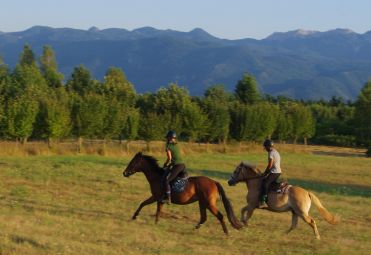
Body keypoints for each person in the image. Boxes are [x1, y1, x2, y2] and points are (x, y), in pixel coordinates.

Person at [161, 130, 186, 204]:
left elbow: (169, 158)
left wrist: (165, 164)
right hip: (182, 165)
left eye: (168, 138)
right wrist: (171, 164)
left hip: (177, 166)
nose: (167, 139)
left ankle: (168, 198)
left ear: (169, 138)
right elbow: (180, 155)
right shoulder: (177, 145)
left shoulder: (168, 146)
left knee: (167, 180)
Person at [261, 139, 281, 206]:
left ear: (269, 146)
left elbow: (270, 165)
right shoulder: (275, 151)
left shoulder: (271, 153)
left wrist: (265, 173)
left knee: (265, 183)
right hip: (277, 172)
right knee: (270, 182)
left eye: (265, 146)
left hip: (274, 172)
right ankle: (278, 187)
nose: (265, 148)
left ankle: (264, 200)